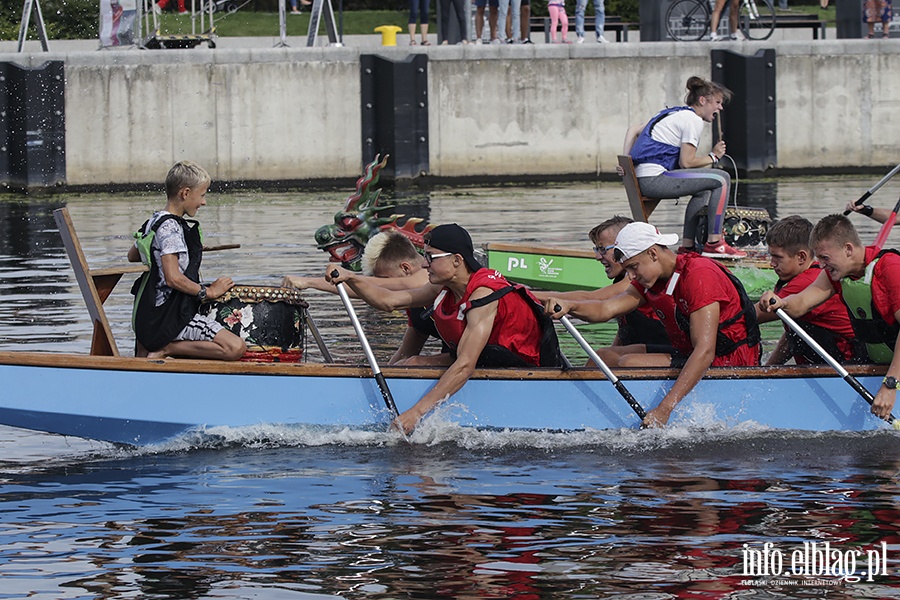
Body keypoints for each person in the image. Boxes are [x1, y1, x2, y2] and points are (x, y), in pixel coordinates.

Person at [326, 223, 563, 433]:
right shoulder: (443, 287)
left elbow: (465, 366)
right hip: (490, 358)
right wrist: (351, 278)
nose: (424, 265)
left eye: (431, 257)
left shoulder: (484, 295)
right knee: (410, 363)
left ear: (457, 260)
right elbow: (388, 301)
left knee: (415, 363)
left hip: (529, 371)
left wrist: (416, 413)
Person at [545, 222, 761, 427]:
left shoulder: (699, 275)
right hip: (690, 353)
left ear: (653, 254)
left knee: (629, 362)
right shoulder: (650, 280)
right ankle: (581, 410)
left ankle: (612, 415)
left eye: (633, 267)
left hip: (730, 361)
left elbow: (705, 351)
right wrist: (569, 306)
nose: (631, 276)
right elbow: (605, 309)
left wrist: (664, 409)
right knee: (604, 356)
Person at [759, 214, 900, 421]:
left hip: (892, 376)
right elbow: (801, 303)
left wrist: (890, 385)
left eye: (825, 258)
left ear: (848, 249)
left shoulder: (890, 268)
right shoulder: (836, 274)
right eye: (818, 258)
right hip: (876, 363)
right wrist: (782, 303)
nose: (821, 266)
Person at [128, 161, 246, 361]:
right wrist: (209, 292)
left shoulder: (154, 221)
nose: (204, 202)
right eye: (202, 195)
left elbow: (133, 254)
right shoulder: (171, 229)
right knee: (235, 347)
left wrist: (173, 250)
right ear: (185, 193)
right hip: (170, 317)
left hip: (148, 315)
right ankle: (168, 348)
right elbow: (173, 278)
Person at [622, 75, 745, 259]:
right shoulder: (692, 119)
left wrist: (625, 162)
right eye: (717, 102)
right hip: (654, 179)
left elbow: (634, 128)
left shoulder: (674, 113)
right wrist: (713, 156)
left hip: (645, 178)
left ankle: (687, 246)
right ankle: (715, 243)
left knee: (704, 191)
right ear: (703, 100)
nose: (720, 107)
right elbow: (686, 163)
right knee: (722, 179)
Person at [282, 230, 443, 365]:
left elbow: (372, 288)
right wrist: (387, 373)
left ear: (405, 268)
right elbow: (406, 353)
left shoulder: (426, 277)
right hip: (451, 357)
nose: (376, 286)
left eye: (383, 278)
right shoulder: (415, 304)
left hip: (464, 359)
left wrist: (309, 282)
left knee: (413, 363)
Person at [532, 216, 671, 367]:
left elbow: (593, 299)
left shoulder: (639, 278)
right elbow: (626, 331)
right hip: (646, 350)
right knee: (603, 356)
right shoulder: (631, 279)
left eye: (603, 249)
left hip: (667, 352)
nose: (597, 256)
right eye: (597, 249)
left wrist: (526, 294)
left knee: (616, 359)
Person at [755, 215, 860, 366]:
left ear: (801, 257)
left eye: (777, 257)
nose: (772, 264)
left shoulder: (807, 281)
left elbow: (749, 317)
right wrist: (768, 370)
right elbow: (793, 336)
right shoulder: (803, 276)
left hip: (851, 365)